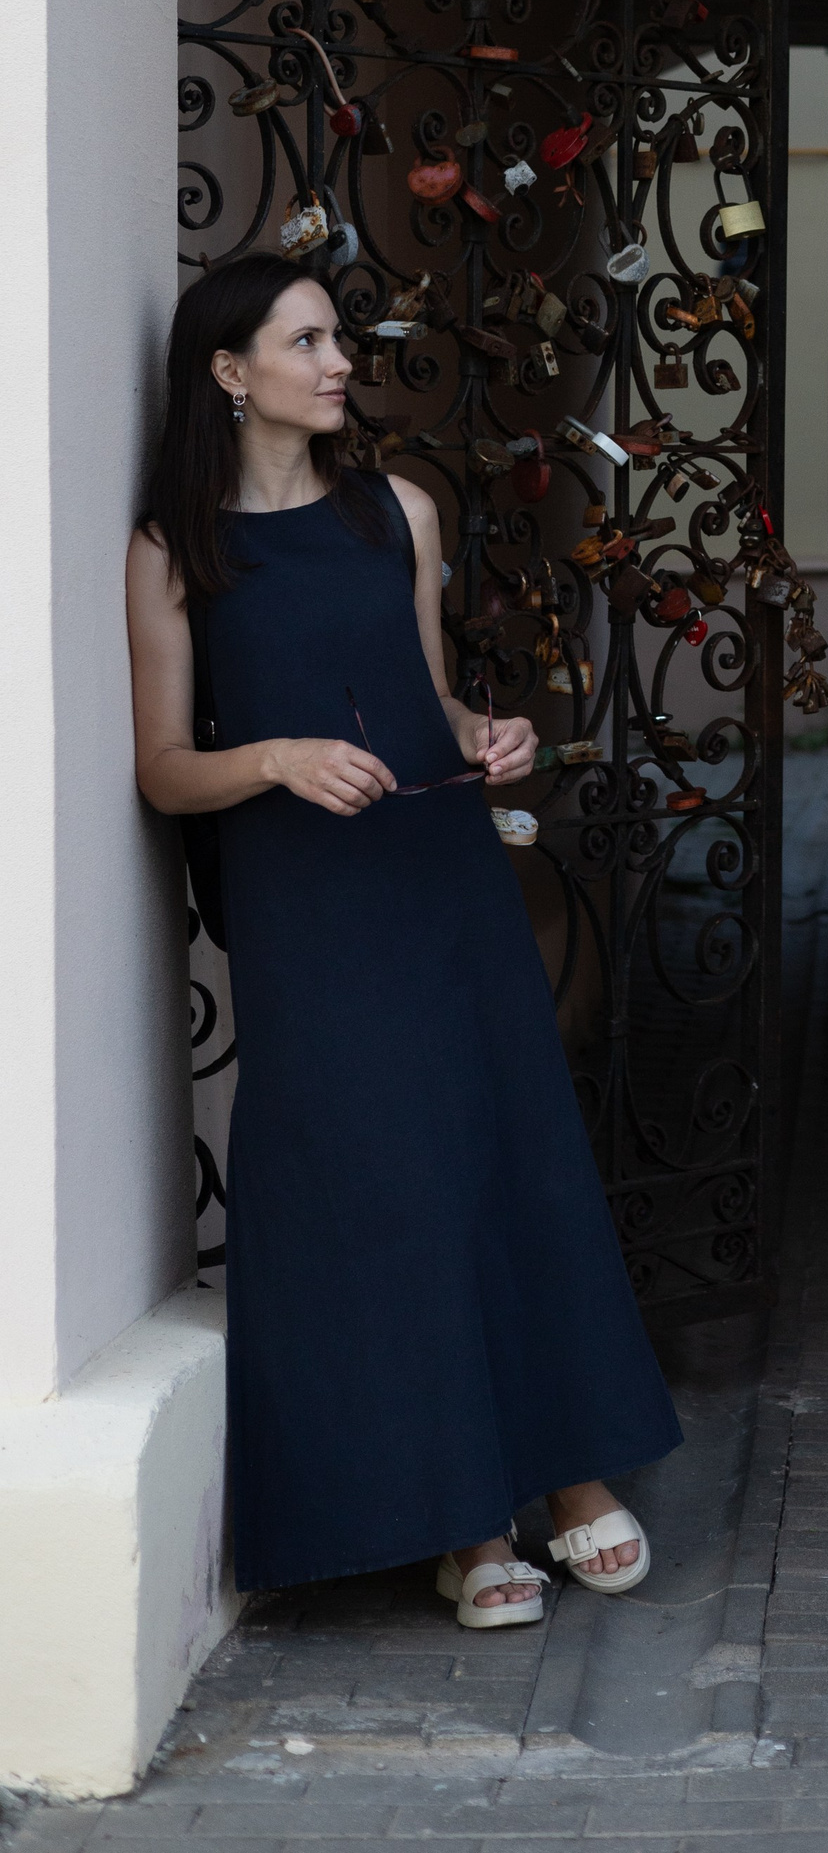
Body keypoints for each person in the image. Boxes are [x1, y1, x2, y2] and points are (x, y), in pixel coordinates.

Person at [126, 253, 681, 1625]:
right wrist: (277, 757)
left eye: (339, 338)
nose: (340, 363)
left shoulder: (401, 511)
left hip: (437, 874)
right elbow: (163, 769)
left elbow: (427, 697)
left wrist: (490, 735)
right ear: (229, 371)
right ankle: (464, 1522)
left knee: (505, 1147)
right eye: (307, 341)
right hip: (305, 904)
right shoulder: (174, 550)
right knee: (387, 1185)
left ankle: (570, 1478)